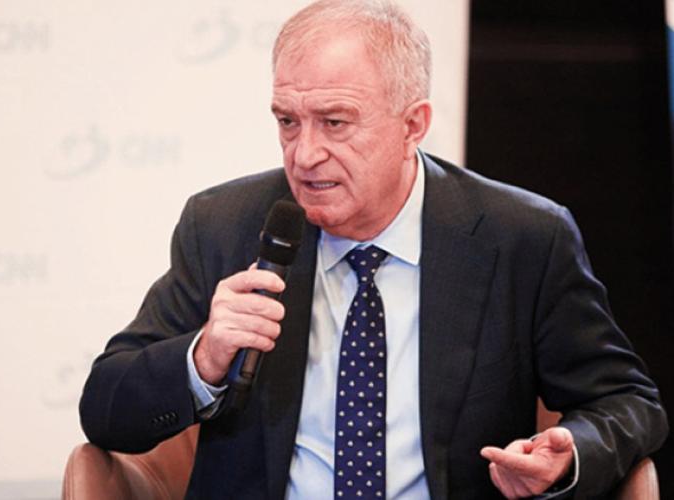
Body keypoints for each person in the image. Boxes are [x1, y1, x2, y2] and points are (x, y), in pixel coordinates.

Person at [79, 1, 668, 498]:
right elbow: (105, 410)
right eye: (288, 121)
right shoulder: (224, 225)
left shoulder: (521, 238)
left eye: (335, 122)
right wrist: (203, 357)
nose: (304, 154)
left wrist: (570, 451)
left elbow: (627, 401)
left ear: (413, 125)